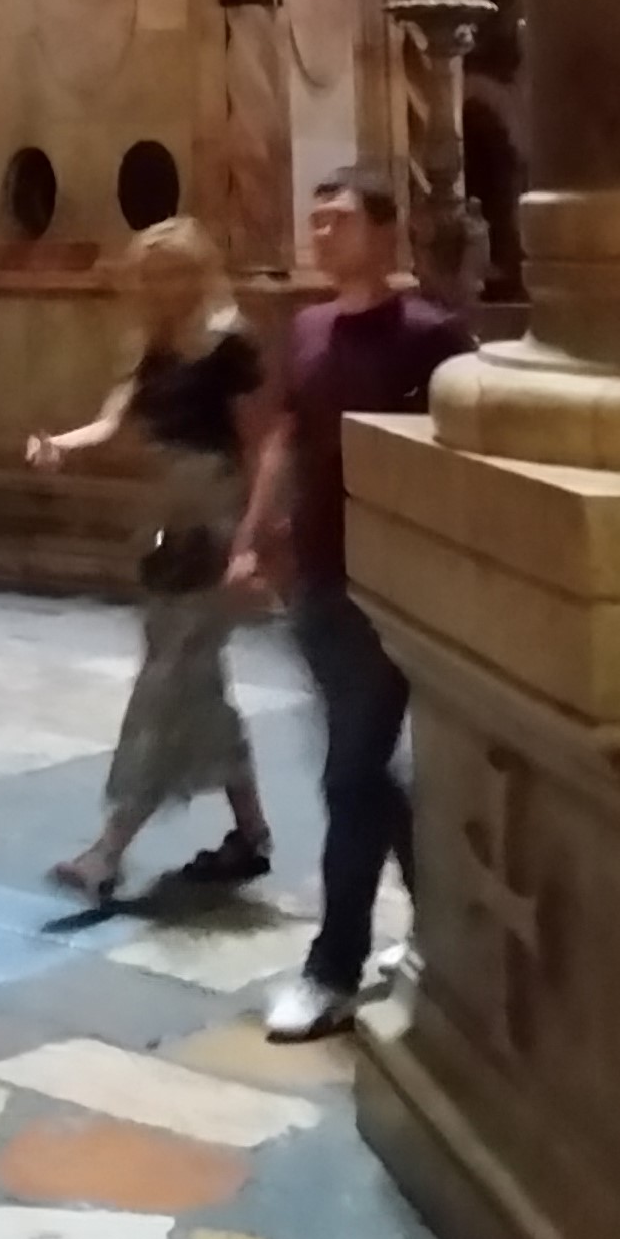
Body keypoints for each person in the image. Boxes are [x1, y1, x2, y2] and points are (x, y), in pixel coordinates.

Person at [227, 167, 472, 1042]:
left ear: (383, 231)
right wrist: (255, 534)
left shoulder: (433, 336)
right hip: (324, 575)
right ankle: (451, 930)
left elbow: (456, 459)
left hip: (396, 585)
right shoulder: (308, 329)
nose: (320, 235)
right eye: (315, 221)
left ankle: (332, 968)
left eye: (337, 221)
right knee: (365, 773)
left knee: (348, 774)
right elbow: (286, 437)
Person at [29, 216, 274, 906]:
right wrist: (61, 447)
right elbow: (112, 422)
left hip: (214, 514)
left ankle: (109, 849)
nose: (163, 286)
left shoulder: (230, 344)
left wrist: (255, 540)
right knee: (196, 679)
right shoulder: (154, 347)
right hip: (166, 519)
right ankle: (251, 831)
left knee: (167, 683)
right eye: (152, 273)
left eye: (175, 271)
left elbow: (263, 443)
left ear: (199, 271)